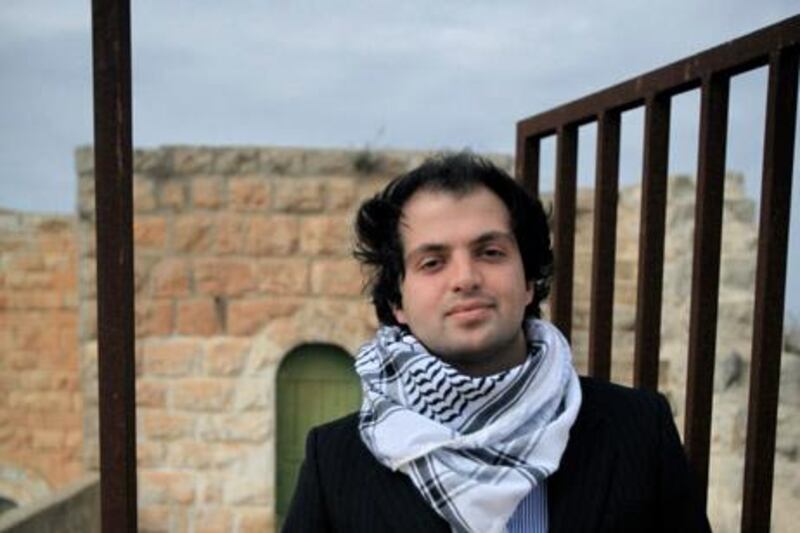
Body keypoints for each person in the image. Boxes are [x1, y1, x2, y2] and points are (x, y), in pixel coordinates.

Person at [282, 153, 710, 532]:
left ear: (528, 281)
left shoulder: (637, 428)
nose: (466, 278)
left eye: (490, 252)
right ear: (398, 301)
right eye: (433, 262)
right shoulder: (337, 459)